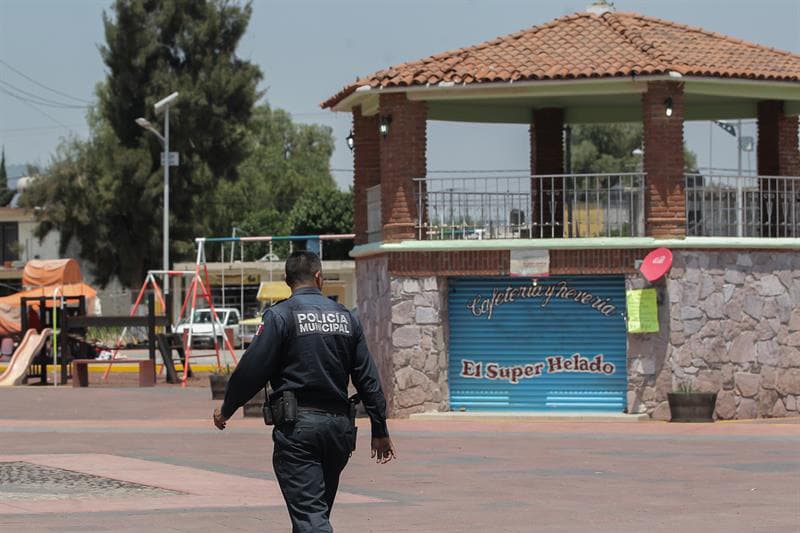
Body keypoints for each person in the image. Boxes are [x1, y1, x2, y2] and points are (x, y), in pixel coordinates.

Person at [213, 250, 395, 532]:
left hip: (299, 432)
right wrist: (380, 428)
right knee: (313, 514)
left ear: (287, 280)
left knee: (311, 520)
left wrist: (227, 408)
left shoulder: (280, 316)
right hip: (338, 432)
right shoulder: (347, 318)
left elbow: (251, 370)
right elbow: (368, 378)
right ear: (319, 277)